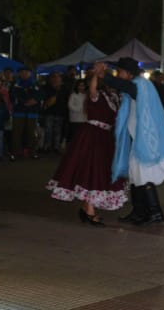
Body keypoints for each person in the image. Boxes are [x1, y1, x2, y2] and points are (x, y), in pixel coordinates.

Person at [93, 57, 164, 225]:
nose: (118, 74)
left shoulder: (140, 85)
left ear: (128, 73)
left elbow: (124, 86)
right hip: (139, 139)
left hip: (147, 140)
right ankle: (139, 212)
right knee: (136, 175)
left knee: (144, 175)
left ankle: (155, 212)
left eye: (120, 71)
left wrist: (104, 75)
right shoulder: (138, 85)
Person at [47, 75, 128, 225]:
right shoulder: (96, 95)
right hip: (91, 136)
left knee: (97, 172)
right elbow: (92, 89)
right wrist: (97, 74)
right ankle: (89, 211)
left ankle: (86, 209)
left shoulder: (115, 97)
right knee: (90, 171)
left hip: (105, 137)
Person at [10, 67, 42, 160]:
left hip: (32, 113)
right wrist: (24, 102)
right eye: (22, 72)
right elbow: (12, 95)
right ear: (19, 74)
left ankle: (32, 152)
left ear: (30, 73)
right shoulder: (15, 84)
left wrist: (35, 100)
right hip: (18, 112)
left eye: (26, 72)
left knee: (31, 133)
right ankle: (15, 153)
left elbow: (41, 94)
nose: (24, 74)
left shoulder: (36, 83)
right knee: (16, 133)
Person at [65, 77, 88, 144]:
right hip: (75, 119)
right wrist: (80, 108)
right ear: (77, 86)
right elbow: (70, 105)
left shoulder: (86, 95)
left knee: (81, 136)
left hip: (84, 119)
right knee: (74, 135)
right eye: (80, 85)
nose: (81, 87)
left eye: (83, 85)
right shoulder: (73, 95)